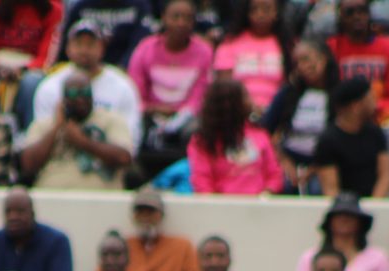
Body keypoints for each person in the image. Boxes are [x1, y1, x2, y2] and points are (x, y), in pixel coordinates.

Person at [327, 0, 389, 183]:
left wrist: (367, 108)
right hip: (342, 118)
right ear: (340, 17)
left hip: (380, 116)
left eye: (362, 10)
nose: (357, 16)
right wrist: (352, 112)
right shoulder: (331, 48)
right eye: (350, 12)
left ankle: (387, 191)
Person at [127, 0, 213, 175]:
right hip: (150, 114)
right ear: (164, 18)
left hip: (187, 117)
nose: (181, 23)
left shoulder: (204, 51)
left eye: (187, 18)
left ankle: (191, 173)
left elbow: (200, 94)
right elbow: (134, 91)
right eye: (175, 17)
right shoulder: (145, 48)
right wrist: (153, 110)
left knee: (198, 129)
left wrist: (178, 114)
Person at [31, 20, 142, 149]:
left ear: (102, 48)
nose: (84, 50)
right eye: (78, 44)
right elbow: (37, 136)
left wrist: (84, 142)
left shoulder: (123, 86)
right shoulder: (49, 86)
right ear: (67, 48)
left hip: (107, 160)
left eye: (90, 44)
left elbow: (132, 141)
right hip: (60, 157)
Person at [21, 69, 132, 189]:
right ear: (63, 97)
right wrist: (57, 128)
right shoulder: (44, 125)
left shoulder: (111, 120)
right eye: (73, 93)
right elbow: (28, 164)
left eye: (85, 93)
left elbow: (124, 158)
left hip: (101, 198)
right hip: (52, 197)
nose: (80, 99)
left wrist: (83, 142)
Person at [262, 37, 339, 195]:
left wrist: (316, 167)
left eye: (306, 59)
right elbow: (264, 131)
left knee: (318, 188)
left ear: (324, 58)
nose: (302, 67)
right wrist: (283, 160)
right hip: (290, 158)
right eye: (297, 63)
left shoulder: (339, 94)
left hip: (326, 162)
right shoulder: (288, 93)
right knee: (283, 185)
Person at [188, 78, 283, 195]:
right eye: (244, 97)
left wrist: (265, 195)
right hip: (221, 208)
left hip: (259, 207)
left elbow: (274, 174)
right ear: (228, 104)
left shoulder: (259, 134)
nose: (250, 101)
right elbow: (202, 181)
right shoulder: (202, 141)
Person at [292, 192, 389, 271]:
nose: (344, 219)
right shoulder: (310, 256)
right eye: (339, 215)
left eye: (350, 215)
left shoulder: (378, 257)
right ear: (329, 221)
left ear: (360, 222)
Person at [312, 76, 389, 198]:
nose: (375, 102)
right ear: (356, 106)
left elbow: (385, 175)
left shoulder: (375, 133)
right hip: (344, 206)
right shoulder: (328, 141)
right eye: (370, 97)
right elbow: (330, 189)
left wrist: (375, 205)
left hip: (374, 203)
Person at [213, 0, 290, 116]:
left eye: (266, 9)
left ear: (276, 12)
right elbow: (224, 84)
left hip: (276, 113)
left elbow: (289, 86)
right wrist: (248, 106)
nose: (260, 14)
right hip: (236, 111)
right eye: (255, 9)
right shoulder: (230, 43)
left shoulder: (287, 45)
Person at [124, 186, 196, 271]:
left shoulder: (181, 246)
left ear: (161, 215)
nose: (145, 217)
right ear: (134, 216)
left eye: (150, 212)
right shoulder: (123, 247)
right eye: (140, 212)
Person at [57, 0, 151, 68]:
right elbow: (66, 42)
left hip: (126, 69)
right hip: (83, 68)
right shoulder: (82, 7)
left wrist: (123, 66)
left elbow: (141, 42)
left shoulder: (138, 6)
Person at [0, 0, 61, 73]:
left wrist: (23, 69)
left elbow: (45, 59)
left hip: (31, 67)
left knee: (30, 81)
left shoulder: (52, 10)